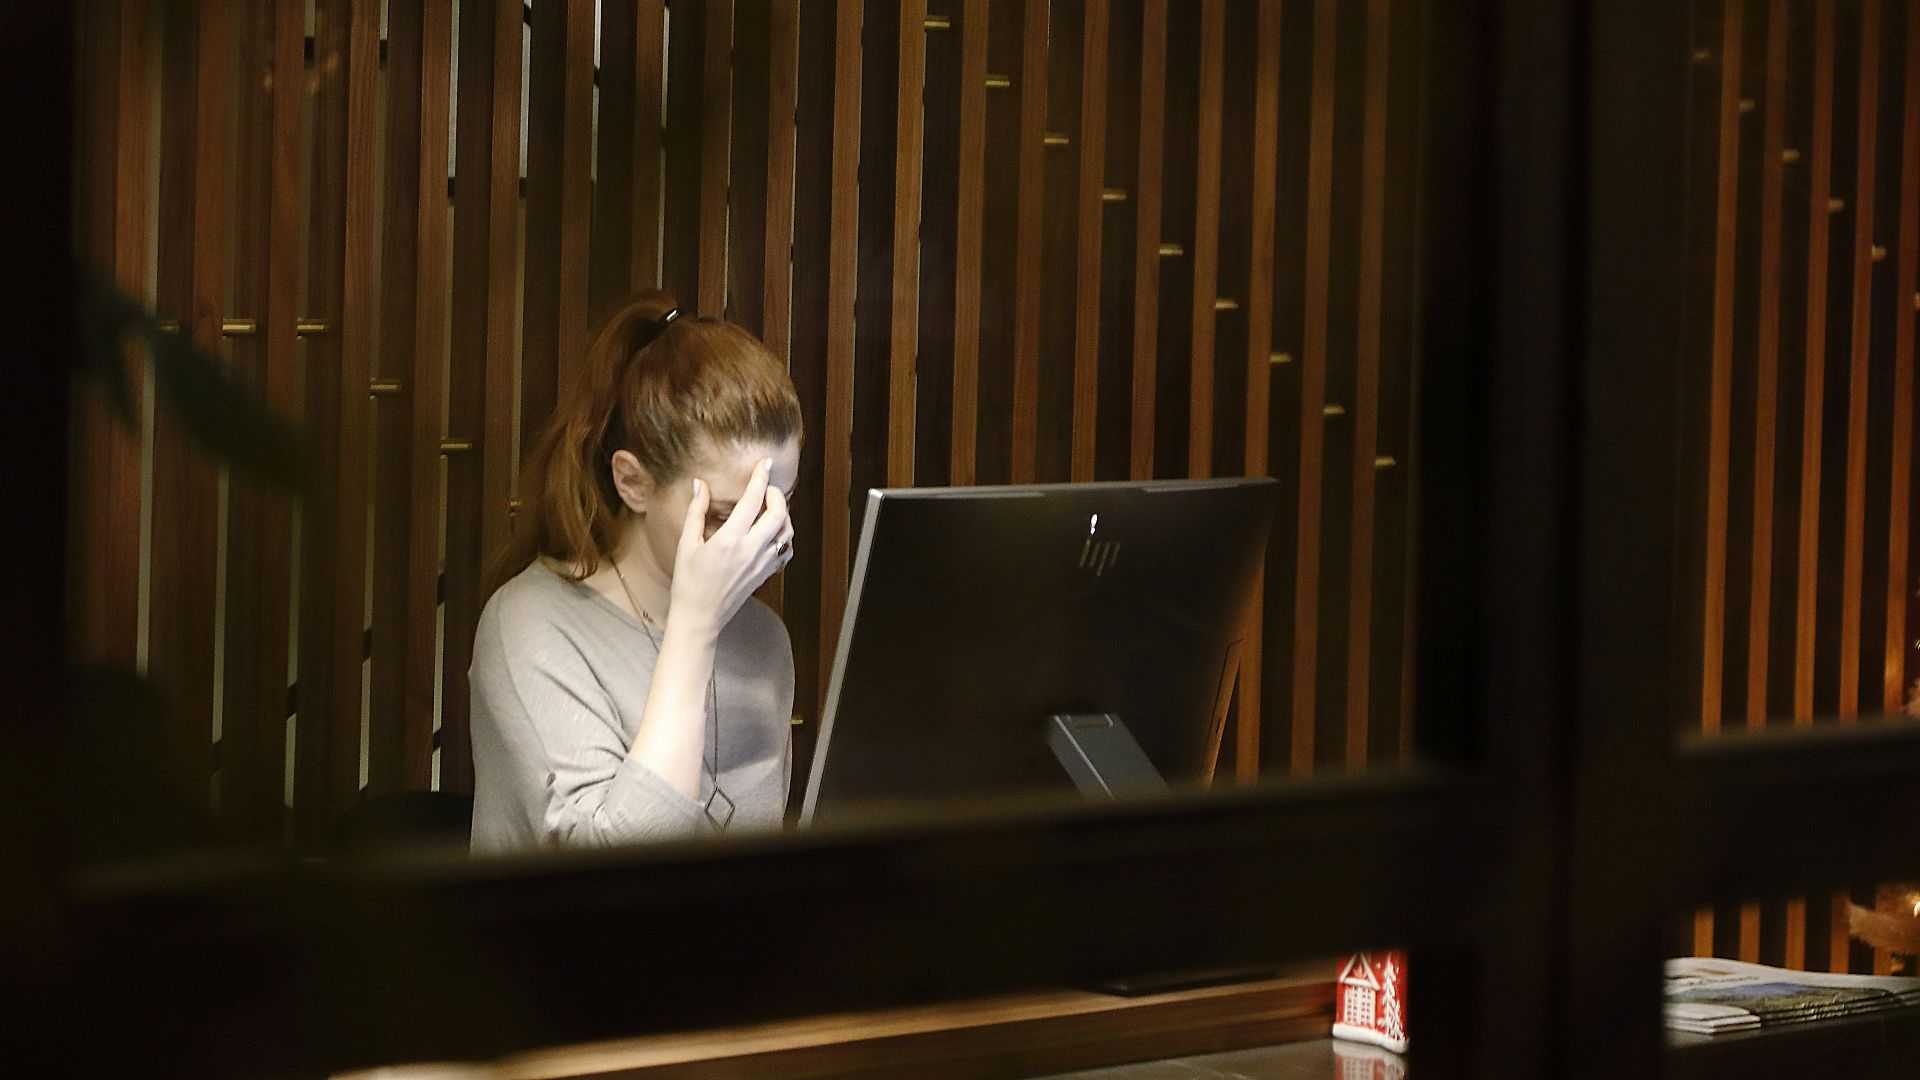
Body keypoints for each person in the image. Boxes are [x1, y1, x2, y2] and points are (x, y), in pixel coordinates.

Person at [468, 290, 802, 854]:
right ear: (633, 482)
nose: (760, 539)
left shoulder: (764, 639)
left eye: (778, 505)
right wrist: (694, 629)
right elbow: (615, 878)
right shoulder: (529, 623)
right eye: (726, 515)